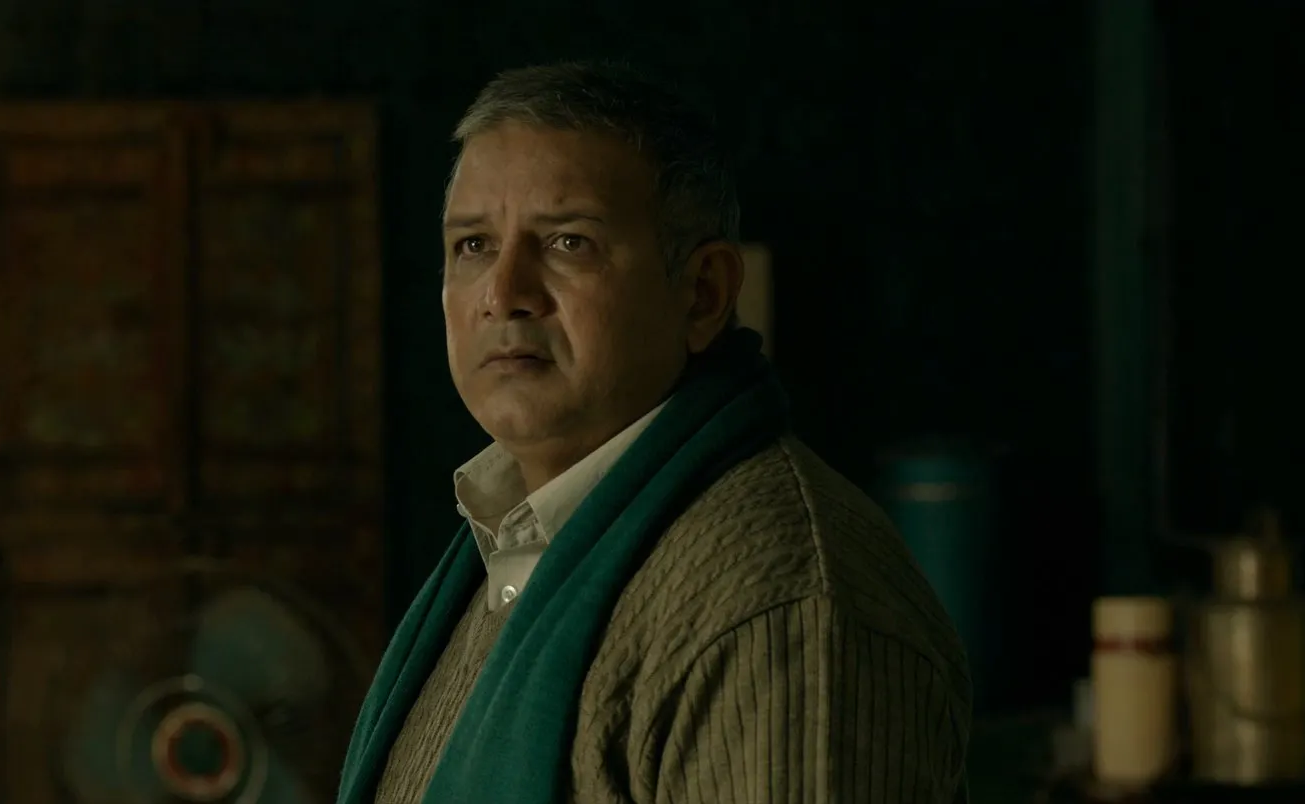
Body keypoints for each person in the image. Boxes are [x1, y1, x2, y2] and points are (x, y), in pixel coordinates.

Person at [335, 60, 971, 804]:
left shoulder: (781, 608)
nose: (503, 294)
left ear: (702, 294)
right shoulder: (507, 541)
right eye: (474, 245)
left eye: (568, 242)